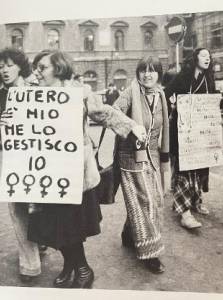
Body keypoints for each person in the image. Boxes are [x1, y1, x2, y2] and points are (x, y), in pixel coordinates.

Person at [23, 50, 146, 288]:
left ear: (58, 69)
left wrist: (131, 126)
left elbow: (104, 113)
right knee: (55, 224)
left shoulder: (80, 92)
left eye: (42, 67)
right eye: (36, 68)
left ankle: (83, 269)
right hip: (47, 173)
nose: (37, 72)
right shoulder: (34, 95)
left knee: (71, 225)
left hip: (75, 173)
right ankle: (70, 266)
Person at [113, 56, 169, 274]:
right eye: (143, 70)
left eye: (152, 70)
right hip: (130, 156)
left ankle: (129, 233)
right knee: (147, 201)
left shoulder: (161, 94)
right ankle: (150, 252)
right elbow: (113, 112)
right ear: (137, 74)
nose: (147, 74)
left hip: (152, 154)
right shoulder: (130, 92)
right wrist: (132, 125)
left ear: (158, 74)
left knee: (147, 199)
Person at [164, 48, 223, 230]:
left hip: (203, 130)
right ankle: (184, 212)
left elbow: (212, 102)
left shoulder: (209, 78)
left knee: (200, 166)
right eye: (203, 56)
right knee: (185, 168)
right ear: (195, 59)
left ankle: (196, 201)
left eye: (209, 57)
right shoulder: (183, 76)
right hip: (184, 129)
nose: (207, 59)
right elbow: (167, 92)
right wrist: (173, 106)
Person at [0, 47, 42, 283]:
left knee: (38, 208)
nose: (4, 70)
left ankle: (40, 241)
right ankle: (30, 264)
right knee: (17, 211)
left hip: (38, 162)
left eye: (9, 65)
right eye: (1, 66)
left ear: (20, 66)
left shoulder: (36, 91)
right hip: (11, 163)